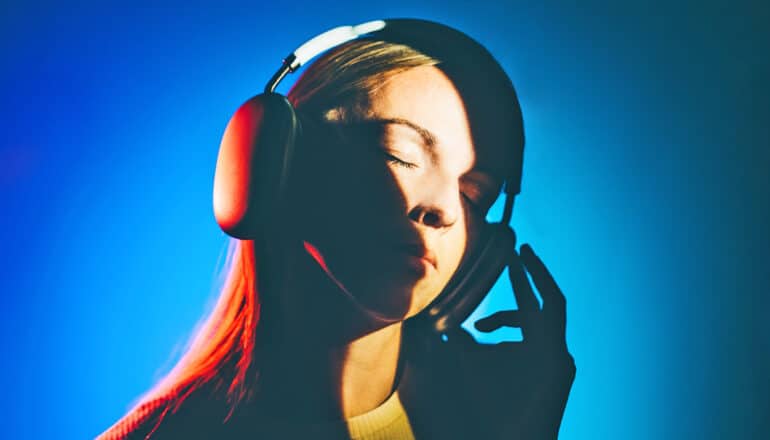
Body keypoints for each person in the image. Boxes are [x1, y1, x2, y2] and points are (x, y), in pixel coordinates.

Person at [98, 19, 576, 440]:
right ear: (278, 156)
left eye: (474, 194)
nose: (444, 209)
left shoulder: (492, 419)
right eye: (400, 154)